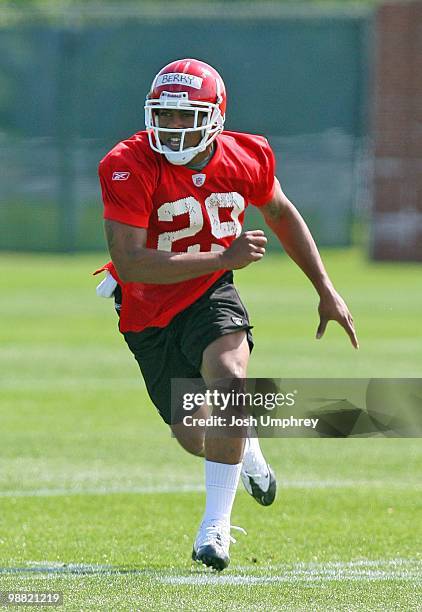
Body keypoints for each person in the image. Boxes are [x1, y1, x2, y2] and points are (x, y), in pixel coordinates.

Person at [95, 58, 358, 572]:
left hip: (212, 293)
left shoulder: (246, 155)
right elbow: (131, 262)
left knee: (231, 378)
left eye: (183, 116)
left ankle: (214, 529)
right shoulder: (126, 163)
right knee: (196, 435)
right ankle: (249, 446)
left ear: (214, 116)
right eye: (163, 115)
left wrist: (325, 287)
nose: (171, 127)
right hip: (148, 308)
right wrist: (224, 255)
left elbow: (279, 212)